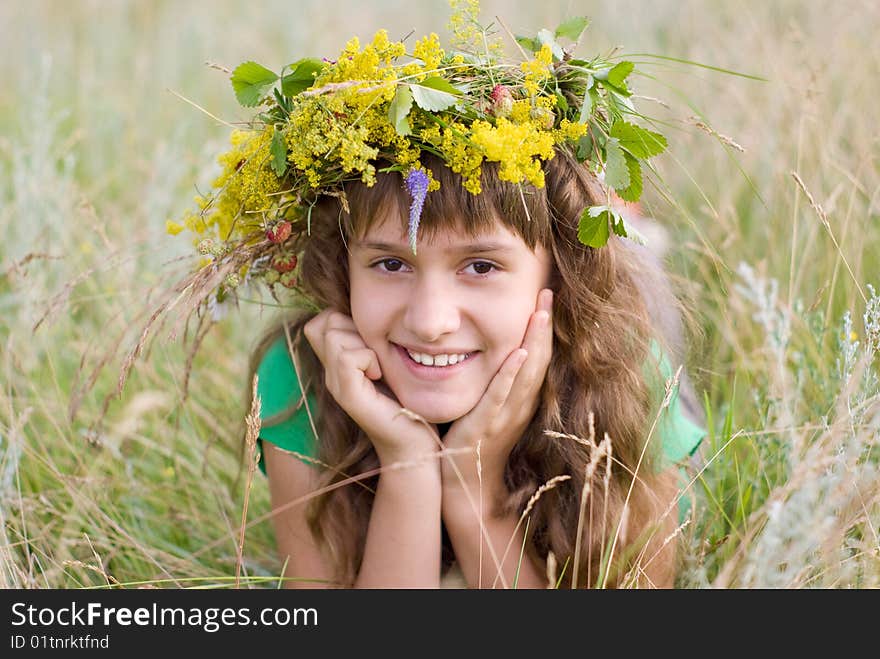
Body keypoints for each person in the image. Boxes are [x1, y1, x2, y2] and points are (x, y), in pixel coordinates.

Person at [172, 3, 706, 588]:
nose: (429, 322)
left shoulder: (628, 380)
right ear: (342, 266)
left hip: (607, 338)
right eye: (390, 262)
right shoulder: (300, 380)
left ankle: (631, 235)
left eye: (480, 265)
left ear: (556, 275)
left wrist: (471, 487)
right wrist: (406, 461)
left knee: (640, 285)